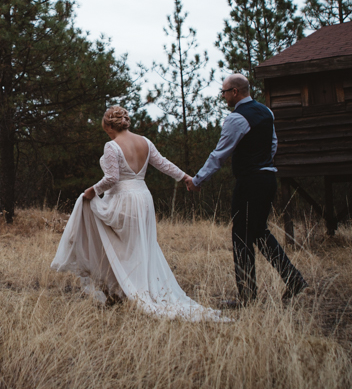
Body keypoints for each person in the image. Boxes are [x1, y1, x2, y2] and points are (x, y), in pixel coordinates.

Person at [51, 106, 230, 322]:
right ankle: (127, 289)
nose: (106, 133)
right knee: (139, 246)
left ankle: (129, 291)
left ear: (109, 125)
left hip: (123, 199)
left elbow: (111, 179)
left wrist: (92, 191)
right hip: (144, 199)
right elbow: (163, 163)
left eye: (105, 129)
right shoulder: (144, 141)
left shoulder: (111, 145)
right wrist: (185, 177)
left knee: (122, 247)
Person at [185, 73, 307, 307]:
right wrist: (263, 164)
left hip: (250, 181)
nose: (222, 96)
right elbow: (273, 145)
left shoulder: (237, 118)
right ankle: (293, 279)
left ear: (235, 92)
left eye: (224, 92)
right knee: (259, 232)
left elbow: (219, 155)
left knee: (241, 236)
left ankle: (247, 297)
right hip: (268, 178)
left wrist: (198, 180)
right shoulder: (266, 112)